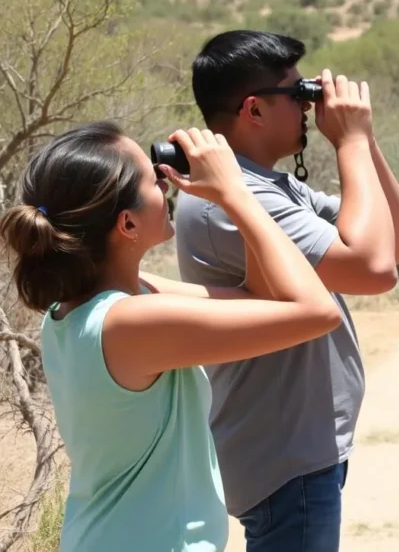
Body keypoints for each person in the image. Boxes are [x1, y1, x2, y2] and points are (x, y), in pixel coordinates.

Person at [0, 122, 341, 551]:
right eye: (154, 178)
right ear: (127, 223)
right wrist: (237, 193)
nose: (166, 181)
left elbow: (259, 296)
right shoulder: (130, 322)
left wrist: (233, 196)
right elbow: (317, 312)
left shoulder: (82, 309)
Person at [173, 29, 399, 551]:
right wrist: (349, 142)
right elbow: (373, 271)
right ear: (254, 110)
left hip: (298, 447)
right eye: (297, 95)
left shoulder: (267, 186)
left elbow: (397, 245)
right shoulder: (229, 200)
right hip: (284, 454)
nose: (309, 107)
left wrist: (363, 141)